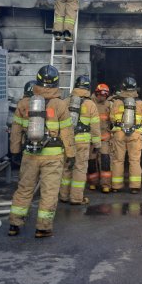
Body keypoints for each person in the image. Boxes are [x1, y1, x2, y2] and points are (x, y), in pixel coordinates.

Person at [9, 65, 75, 238]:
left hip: (30, 154)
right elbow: (67, 133)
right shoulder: (60, 105)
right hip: (53, 156)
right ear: (56, 83)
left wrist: (14, 151)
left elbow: (16, 130)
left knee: (24, 189)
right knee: (49, 192)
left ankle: (14, 225)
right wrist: (71, 154)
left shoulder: (24, 104)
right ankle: (42, 228)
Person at [59, 75, 101, 205]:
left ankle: (64, 196)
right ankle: (76, 198)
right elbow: (95, 127)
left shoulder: (65, 102)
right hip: (82, 142)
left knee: (66, 167)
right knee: (80, 169)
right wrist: (97, 144)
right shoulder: (90, 105)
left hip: (67, 141)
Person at [109, 77, 142, 193]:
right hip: (135, 135)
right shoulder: (141, 104)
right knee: (135, 161)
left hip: (119, 134)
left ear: (122, 87)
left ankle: (116, 186)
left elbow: (111, 118)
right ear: (135, 88)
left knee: (118, 160)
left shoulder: (116, 102)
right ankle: (135, 187)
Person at [88, 83, 113, 192]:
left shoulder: (109, 104)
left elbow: (112, 119)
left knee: (105, 162)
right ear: (97, 93)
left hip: (104, 139)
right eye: (101, 94)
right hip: (92, 139)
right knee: (92, 162)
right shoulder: (89, 103)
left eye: (105, 95)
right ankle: (93, 183)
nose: (103, 97)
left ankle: (105, 185)